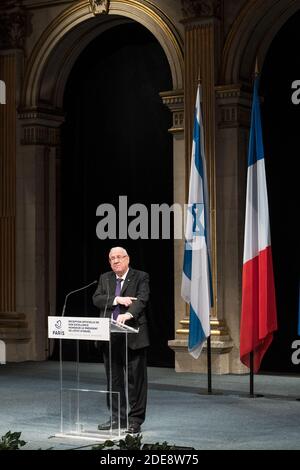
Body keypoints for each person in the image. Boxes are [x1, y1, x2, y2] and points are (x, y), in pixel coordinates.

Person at [93, 246, 150, 434]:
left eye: (119, 257)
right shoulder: (105, 278)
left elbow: (142, 300)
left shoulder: (141, 276)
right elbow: (97, 299)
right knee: (114, 380)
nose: (115, 261)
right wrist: (117, 300)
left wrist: (129, 314)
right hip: (110, 337)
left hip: (133, 335)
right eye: (112, 258)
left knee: (136, 381)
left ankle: (135, 420)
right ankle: (117, 419)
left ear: (127, 259)